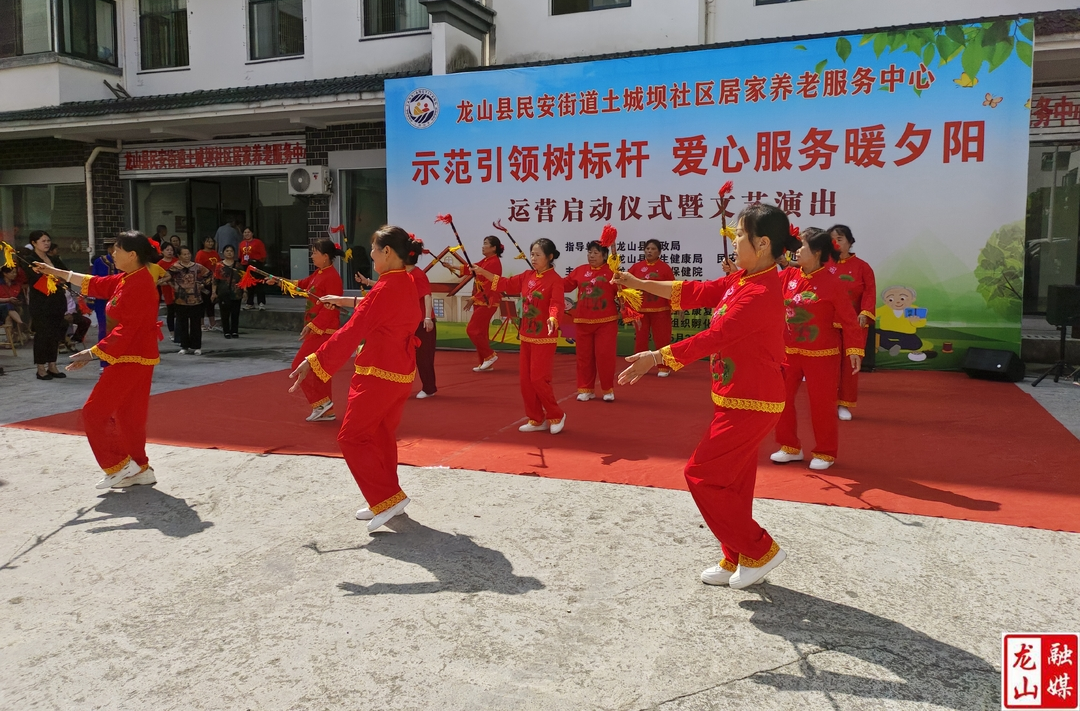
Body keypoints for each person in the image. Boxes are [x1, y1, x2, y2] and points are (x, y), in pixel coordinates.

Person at [614, 203, 798, 589]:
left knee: (700, 474)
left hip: (754, 401)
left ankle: (760, 548)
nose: (732, 242)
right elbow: (693, 291)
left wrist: (656, 356)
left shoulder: (761, 292)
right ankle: (737, 557)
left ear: (762, 243)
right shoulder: (743, 280)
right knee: (732, 483)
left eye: (739, 236)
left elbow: (715, 337)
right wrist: (637, 282)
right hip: (736, 397)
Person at [288, 226, 422, 533]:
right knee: (380, 435)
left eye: (374, 249)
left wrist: (315, 360)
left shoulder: (387, 287)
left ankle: (385, 498)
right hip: (398, 370)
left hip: (379, 373)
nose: (371, 254)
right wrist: (342, 300)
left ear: (387, 252)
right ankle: (389, 497)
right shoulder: (404, 281)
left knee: (351, 437)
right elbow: (374, 309)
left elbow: (353, 330)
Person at [32, 231, 162, 489]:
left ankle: (122, 466)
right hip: (136, 356)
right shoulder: (130, 278)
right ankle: (140, 468)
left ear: (132, 255)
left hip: (130, 356)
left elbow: (127, 330)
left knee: (94, 412)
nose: (113, 253)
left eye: (117, 249)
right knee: (129, 416)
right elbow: (95, 284)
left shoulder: (139, 284)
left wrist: (91, 353)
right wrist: (53, 271)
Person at [771, 228, 864, 471]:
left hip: (822, 354)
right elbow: (761, 287)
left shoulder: (832, 283)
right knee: (781, 399)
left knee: (821, 404)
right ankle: (789, 446)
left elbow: (849, 319)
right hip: (789, 351)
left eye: (802, 246)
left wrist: (855, 349)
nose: (797, 251)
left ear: (817, 252)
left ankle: (825, 452)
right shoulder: (789, 276)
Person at [472, 239, 567, 434]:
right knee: (526, 380)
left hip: (544, 337)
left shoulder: (555, 280)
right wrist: (483, 273)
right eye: (532, 254)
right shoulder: (527, 276)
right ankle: (536, 419)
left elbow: (557, 303)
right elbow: (504, 283)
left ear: (549, 257)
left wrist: (552, 317)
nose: (533, 258)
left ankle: (556, 414)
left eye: (538, 254)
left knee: (539, 379)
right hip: (527, 335)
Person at [267, 239, 343, 419]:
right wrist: (279, 281)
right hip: (315, 329)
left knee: (300, 365)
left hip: (324, 331)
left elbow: (332, 308)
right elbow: (300, 284)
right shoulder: (319, 273)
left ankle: (323, 403)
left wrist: (312, 325)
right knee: (319, 369)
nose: (312, 256)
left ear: (325, 257)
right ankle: (326, 409)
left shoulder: (332, 278)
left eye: (315, 252)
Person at [828, 224, 877, 420]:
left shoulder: (862, 267)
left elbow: (869, 292)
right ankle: (827, 401)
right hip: (828, 323)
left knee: (849, 365)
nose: (836, 243)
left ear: (849, 242)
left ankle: (844, 404)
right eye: (832, 239)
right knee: (827, 364)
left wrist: (865, 312)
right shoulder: (824, 265)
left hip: (853, 324)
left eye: (840, 239)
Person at [563, 240, 619, 402]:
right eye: (589, 252)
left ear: (604, 256)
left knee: (604, 356)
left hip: (606, 322)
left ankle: (607, 389)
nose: (591, 256)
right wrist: (550, 279)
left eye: (595, 253)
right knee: (584, 357)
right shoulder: (580, 271)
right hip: (582, 321)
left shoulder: (611, 272)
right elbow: (565, 285)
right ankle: (586, 389)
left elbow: (623, 294)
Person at [444, 236, 504, 373]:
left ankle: (489, 355)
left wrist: (473, 298)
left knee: (472, 330)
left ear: (494, 247)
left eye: (486, 244)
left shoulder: (494, 263)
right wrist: (451, 266)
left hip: (487, 301)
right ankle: (485, 362)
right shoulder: (486, 261)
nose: (483, 246)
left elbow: (490, 285)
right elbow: (470, 268)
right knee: (481, 332)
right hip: (481, 300)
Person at [20, 230, 68, 380]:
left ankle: (52, 365)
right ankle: (41, 368)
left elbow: (66, 275)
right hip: (41, 303)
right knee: (42, 335)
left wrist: (57, 278)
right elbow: (37, 281)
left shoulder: (55, 259)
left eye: (48, 240)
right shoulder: (29, 260)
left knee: (55, 334)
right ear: (34, 243)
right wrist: (56, 279)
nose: (47, 243)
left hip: (57, 301)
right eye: (43, 241)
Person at [628, 239, 676, 377]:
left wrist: (677, 307)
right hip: (640, 311)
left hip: (660, 310)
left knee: (662, 339)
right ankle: (638, 366)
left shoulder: (664, 268)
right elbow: (627, 286)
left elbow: (672, 288)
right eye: (647, 248)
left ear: (659, 252)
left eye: (653, 249)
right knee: (641, 340)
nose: (649, 251)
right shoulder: (636, 267)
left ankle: (664, 366)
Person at [165, 246, 210, 355]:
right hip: (180, 300)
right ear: (179, 256)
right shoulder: (175, 267)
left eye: (188, 253)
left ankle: (197, 346)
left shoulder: (197, 267)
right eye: (184, 254)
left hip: (196, 299)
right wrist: (173, 286)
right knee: (182, 324)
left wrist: (202, 284)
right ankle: (184, 346)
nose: (187, 256)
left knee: (195, 324)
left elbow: (209, 275)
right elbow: (166, 277)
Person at [406, 241, 437, 399]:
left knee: (424, 357)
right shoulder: (403, 274)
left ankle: (429, 388)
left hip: (423, 322)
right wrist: (369, 282)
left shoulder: (418, 274)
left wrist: (427, 317)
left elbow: (427, 295)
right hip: (409, 322)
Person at [211, 245, 245, 340]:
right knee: (224, 313)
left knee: (235, 313)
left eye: (231, 251)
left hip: (236, 292)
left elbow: (244, 279)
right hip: (223, 292)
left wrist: (245, 291)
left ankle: (234, 331)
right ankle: (226, 331)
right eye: (227, 251)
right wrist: (214, 292)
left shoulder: (238, 265)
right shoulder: (219, 266)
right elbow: (215, 280)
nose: (229, 252)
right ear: (223, 252)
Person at [194, 236, 220, 331]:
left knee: (211, 302)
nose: (210, 243)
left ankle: (212, 323)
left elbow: (219, 265)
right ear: (204, 243)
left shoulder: (215, 253)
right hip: (204, 281)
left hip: (214, 280)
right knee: (202, 303)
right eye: (208, 242)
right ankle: (201, 324)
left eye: (211, 242)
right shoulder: (200, 254)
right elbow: (198, 268)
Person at [239, 228, 268, 310]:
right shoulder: (242, 243)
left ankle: (261, 303)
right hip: (245, 265)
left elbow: (263, 255)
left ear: (252, 233)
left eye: (248, 232)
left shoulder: (258, 242)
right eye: (245, 232)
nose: (246, 234)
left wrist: (259, 263)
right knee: (249, 285)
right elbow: (240, 255)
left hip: (256, 264)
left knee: (259, 284)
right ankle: (250, 303)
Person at [157, 243, 178, 343]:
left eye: (171, 250)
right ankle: (172, 333)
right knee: (171, 311)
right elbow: (158, 281)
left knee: (180, 312)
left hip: (178, 290)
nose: (170, 252)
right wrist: (168, 282)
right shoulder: (159, 264)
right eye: (167, 250)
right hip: (167, 290)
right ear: (162, 251)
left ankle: (180, 332)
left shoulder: (177, 261)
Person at [0, 266, 27, 344]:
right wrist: (8, 299)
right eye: (12, 272)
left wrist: (18, 301)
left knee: (12, 312)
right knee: (7, 308)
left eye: (15, 272)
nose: (15, 274)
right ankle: (20, 323)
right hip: (1, 306)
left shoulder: (16, 284)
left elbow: (20, 297)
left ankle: (11, 339)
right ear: (5, 273)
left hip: (13, 306)